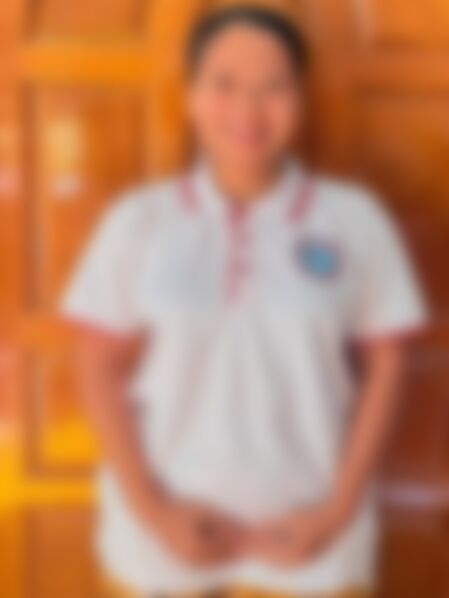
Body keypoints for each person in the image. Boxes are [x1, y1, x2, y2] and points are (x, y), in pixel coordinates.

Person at [61, 5, 427, 598]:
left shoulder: (354, 220)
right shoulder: (139, 221)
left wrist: (334, 513)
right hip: (161, 538)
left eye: (273, 86)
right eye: (224, 83)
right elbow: (97, 364)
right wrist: (154, 511)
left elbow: (387, 363)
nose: (248, 109)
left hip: (312, 537)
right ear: (190, 96)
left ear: (301, 98)